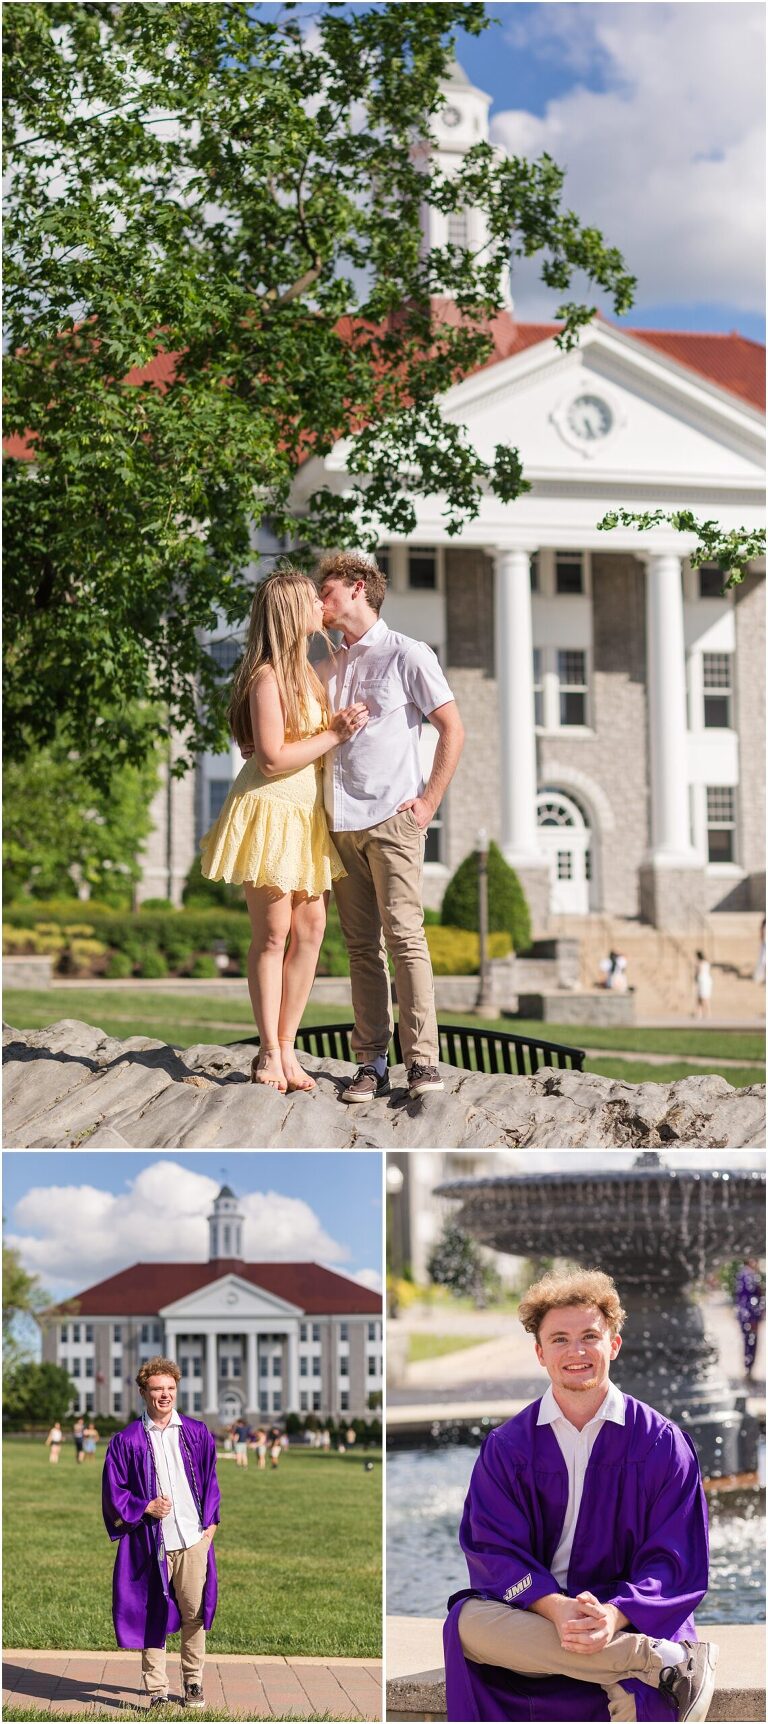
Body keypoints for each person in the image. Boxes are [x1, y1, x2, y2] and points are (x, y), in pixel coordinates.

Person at [445, 1269, 717, 1724]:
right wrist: (556, 1608)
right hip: (538, 1613)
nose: (576, 1352)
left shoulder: (661, 1444)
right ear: (539, 1352)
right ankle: (655, 1663)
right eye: (559, 1339)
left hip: (627, 1614)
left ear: (613, 1344)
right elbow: (492, 1550)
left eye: (590, 1336)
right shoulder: (509, 1448)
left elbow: (674, 1561)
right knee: (467, 1623)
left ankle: (620, 1654)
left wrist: (612, 1616)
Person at [200, 567, 368, 1094]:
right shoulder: (268, 675)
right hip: (272, 810)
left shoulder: (309, 671)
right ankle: (268, 1053)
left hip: (305, 817)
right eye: (309, 600)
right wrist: (335, 734)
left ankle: (289, 1048)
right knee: (273, 936)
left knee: (312, 930)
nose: (320, 605)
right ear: (288, 613)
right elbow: (271, 761)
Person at [316, 550, 465, 1102]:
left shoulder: (408, 654)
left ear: (357, 588)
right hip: (338, 824)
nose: (318, 601)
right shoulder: (330, 661)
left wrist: (428, 803)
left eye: (324, 591)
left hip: (392, 822)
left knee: (405, 940)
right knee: (360, 949)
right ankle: (371, 1065)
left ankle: (422, 1063)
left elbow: (452, 728)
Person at [102, 1355, 220, 1712]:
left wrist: (210, 1528)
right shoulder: (127, 1440)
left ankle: (193, 1682)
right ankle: (156, 1690)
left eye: (170, 1388)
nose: (164, 1395)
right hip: (151, 1542)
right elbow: (114, 1491)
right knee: (153, 1610)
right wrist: (145, 1507)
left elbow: (211, 1482)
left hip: (192, 1538)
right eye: (157, 1389)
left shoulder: (196, 1433)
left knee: (194, 1612)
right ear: (143, 1392)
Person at [734, 1257, 765, 1378]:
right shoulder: (748, 1275)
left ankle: (748, 1369)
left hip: (747, 1316)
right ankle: (748, 1370)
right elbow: (748, 1299)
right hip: (750, 1317)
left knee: (749, 1342)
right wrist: (753, 1318)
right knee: (751, 1343)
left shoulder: (743, 1274)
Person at [694, 951, 712, 1021]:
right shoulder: (706, 963)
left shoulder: (699, 963)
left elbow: (698, 972)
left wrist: (695, 977)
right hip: (707, 980)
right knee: (701, 998)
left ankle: (705, 1013)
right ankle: (700, 1013)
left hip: (702, 981)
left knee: (703, 998)